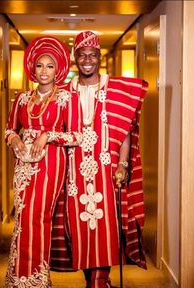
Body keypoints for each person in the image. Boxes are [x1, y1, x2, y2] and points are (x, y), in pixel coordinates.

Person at [61, 31, 148, 288]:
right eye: (82, 55)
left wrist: (122, 165)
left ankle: (100, 281)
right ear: (75, 58)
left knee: (106, 230)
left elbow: (125, 132)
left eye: (92, 55)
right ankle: (91, 280)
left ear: (100, 58)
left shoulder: (117, 89)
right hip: (74, 173)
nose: (87, 60)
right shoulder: (65, 92)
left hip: (107, 171)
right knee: (79, 230)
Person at [4, 36, 82, 288]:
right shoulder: (22, 99)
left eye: (50, 66)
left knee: (39, 216)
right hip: (23, 164)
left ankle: (36, 279)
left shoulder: (66, 99)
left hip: (51, 163)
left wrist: (48, 135)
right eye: (40, 65)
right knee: (22, 216)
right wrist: (15, 139)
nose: (44, 71)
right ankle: (18, 278)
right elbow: (8, 130)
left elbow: (77, 135)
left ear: (58, 69)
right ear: (32, 68)